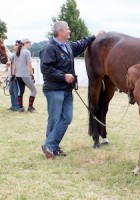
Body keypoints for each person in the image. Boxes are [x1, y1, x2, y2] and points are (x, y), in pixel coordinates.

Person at [39, 21, 96, 159]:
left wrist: (94, 36)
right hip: (54, 90)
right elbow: (46, 69)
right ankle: (52, 147)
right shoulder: (49, 49)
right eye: (67, 29)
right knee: (54, 118)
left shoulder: (68, 47)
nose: (69, 31)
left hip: (66, 90)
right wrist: (64, 76)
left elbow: (82, 44)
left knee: (67, 118)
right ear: (60, 32)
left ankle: (50, 145)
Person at [12, 38, 37, 112]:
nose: (30, 44)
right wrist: (32, 74)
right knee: (33, 90)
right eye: (29, 43)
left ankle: (21, 107)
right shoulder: (27, 52)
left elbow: (14, 64)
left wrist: (14, 74)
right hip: (25, 74)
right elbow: (29, 64)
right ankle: (30, 107)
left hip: (18, 75)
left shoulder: (17, 52)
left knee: (21, 91)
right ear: (26, 43)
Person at [7, 40, 22, 111]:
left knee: (16, 91)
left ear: (19, 46)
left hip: (15, 76)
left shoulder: (18, 55)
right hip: (11, 76)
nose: (14, 46)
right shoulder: (14, 54)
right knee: (11, 91)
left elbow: (9, 55)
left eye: (16, 44)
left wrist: (4, 46)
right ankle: (13, 106)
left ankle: (17, 106)